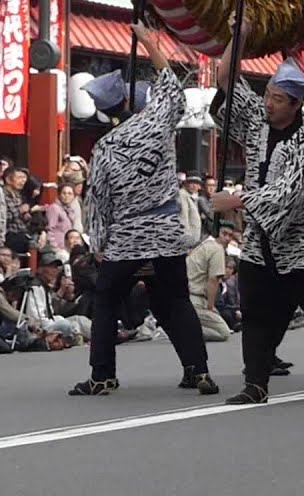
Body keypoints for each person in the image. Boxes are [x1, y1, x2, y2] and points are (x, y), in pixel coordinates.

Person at [68, 24, 217, 397]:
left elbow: (98, 201)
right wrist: (150, 43)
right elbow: (173, 92)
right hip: (166, 229)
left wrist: (99, 243)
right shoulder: (157, 124)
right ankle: (198, 371)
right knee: (177, 300)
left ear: (104, 112)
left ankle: (102, 374)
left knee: (105, 300)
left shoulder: (105, 146)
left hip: (128, 236)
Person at [211, 23, 304, 405]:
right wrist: (238, 37)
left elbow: (286, 193)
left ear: (296, 105)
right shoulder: (259, 124)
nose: (268, 103)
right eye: (269, 95)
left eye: (278, 99)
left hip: (300, 240)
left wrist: (237, 201)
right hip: (260, 239)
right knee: (256, 310)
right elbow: (227, 78)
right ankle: (255, 382)